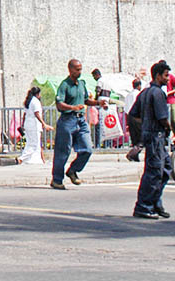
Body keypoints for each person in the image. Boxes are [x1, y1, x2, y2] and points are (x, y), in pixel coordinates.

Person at [50, 59, 108, 189]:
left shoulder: (82, 84)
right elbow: (59, 104)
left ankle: (73, 170)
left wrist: (98, 103)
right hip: (67, 120)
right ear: (70, 70)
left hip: (81, 120)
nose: (79, 72)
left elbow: (86, 100)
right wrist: (73, 107)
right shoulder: (64, 85)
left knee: (87, 149)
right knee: (63, 152)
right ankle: (57, 180)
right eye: (77, 69)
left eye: (80, 69)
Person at [132, 60, 173, 219]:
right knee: (154, 172)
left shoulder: (144, 93)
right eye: (166, 75)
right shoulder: (157, 93)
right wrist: (167, 128)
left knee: (166, 168)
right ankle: (144, 206)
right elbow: (162, 118)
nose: (168, 79)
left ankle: (156, 202)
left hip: (153, 136)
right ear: (157, 76)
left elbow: (134, 114)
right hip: (156, 136)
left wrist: (143, 129)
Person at [18, 86, 51, 165]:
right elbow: (37, 114)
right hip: (34, 125)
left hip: (28, 124)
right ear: (37, 94)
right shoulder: (35, 101)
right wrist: (44, 123)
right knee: (34, 144)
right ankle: (21, 158)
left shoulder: (28, 102)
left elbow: (24, 114)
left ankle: (36, 160)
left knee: (31, 143)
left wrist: (23, 124)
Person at [125, 78, 144, 161]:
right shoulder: (139, 94)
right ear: (139, 86)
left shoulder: (128, 95)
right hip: (137, 117)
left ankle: (135, 156)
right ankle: (132, 153)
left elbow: (126, 108)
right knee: (142, 138)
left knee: (134, 138)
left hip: (130, 117)